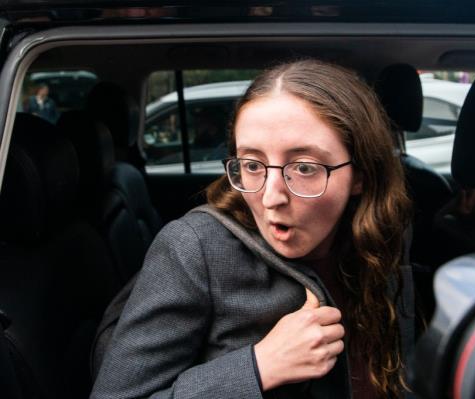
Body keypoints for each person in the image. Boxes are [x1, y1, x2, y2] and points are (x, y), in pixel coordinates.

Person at [91, 59, 413, 398]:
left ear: (360, 175)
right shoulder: (194, 249)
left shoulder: (382, 237)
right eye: (252, 164)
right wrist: (259, 366)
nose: (271, 196)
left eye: (304, 167)